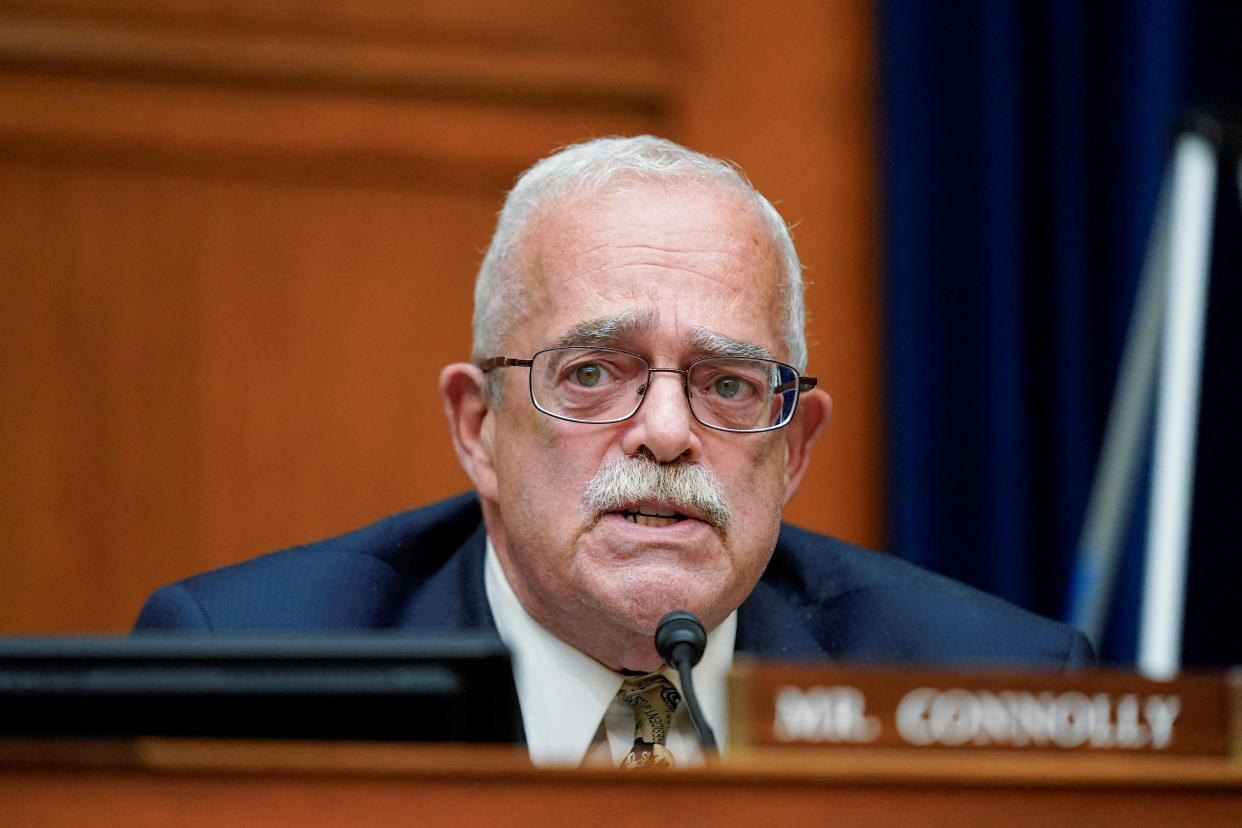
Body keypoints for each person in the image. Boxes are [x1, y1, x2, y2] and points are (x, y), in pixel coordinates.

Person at [135, 136, 1093, 766]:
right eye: (593, 373)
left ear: (793, 449)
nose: (669, 433)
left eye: (726, 383)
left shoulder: (991, 692)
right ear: (480, 428)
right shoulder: (251, 686)